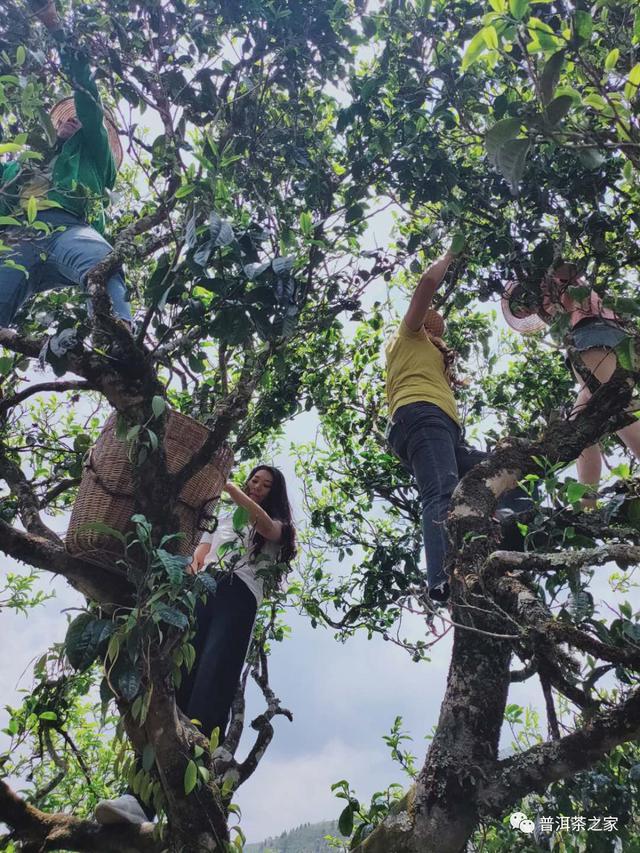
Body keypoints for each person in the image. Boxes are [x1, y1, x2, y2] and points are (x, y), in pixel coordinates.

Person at [94, 465, 296, 826]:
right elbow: (198, 559)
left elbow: (265, 525)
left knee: (212, 679)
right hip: (206, 589)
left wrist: (228, 485)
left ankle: (190, 789)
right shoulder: (224, 520)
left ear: (275, 493)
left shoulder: (278, 527)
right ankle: (137, 799)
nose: (259, 487)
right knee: (177, 682)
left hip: (241, 594)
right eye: (255, 480)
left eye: (267, 485)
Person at [386, 249, 529, 604]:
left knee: (509, 471)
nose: (434, 329)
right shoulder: (406, 337)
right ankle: (443, 579)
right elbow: (427, 285)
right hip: (420, 416)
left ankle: (517, 530)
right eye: (429, 323)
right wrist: (451, 253)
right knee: (440, 491)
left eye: (439, 329)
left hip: (444, 431)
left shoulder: (432, 358)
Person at [0, 1, 131, 327]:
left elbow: (86, 94)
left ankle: (120, 345)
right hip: (17, 237)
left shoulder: (94, 154)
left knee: (103, 266)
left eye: (80, 118)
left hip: (69, 228)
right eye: (67, 117)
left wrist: (54, 26)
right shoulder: (19, 166)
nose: (74, 119)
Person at [502, 261, 640, 503]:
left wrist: (548, 275)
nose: (525, 307)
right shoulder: (559, 305)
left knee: (614, 405)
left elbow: (572, 268)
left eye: (523, 300)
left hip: (594, 335)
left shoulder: (559, 282)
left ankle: (587, 504)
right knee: (578, 425)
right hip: (608, 335)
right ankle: (586, 506)